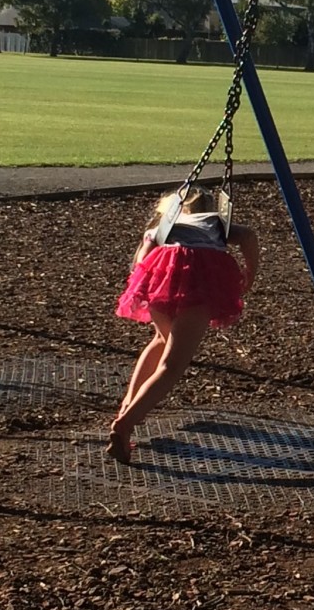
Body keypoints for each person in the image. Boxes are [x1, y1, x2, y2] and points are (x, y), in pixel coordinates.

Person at [108, 188, 259, 463]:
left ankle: (127, 405)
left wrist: (150, 286)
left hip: (159, 280)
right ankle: (126, 424)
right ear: (211, 208)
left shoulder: (162, 228)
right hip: (198, 283)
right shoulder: (215, 222)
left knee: (160, 340)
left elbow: (140, 264)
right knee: (172, 365)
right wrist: (250, 271)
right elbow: (248, 236)